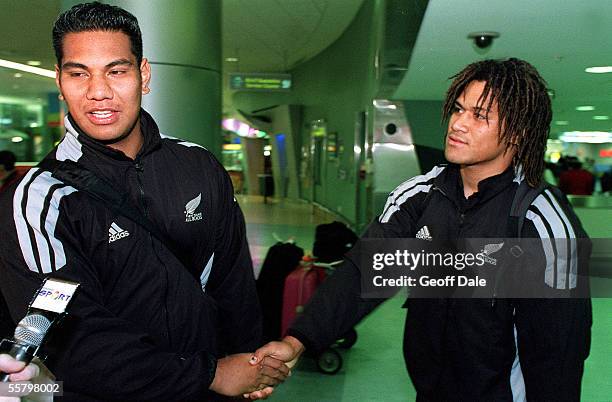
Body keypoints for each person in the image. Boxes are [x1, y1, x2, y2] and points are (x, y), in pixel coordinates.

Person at [251, 58, 592, 401]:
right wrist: (296, 342)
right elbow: (363, 274)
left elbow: (559, 349)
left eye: (479, 115)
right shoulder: (420, 196)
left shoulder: (541, 221)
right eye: (459, 109)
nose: (458, 123)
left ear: (518, 133)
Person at [0, 2, 287, 401]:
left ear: (144, 75)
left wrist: (248, 367)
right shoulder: (40, 198)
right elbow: (71, 335)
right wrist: (212, 375)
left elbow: (232, 284)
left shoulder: (197, 165)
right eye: (78, 73)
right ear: (60, 82)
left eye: (116, 71)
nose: (98, 92)